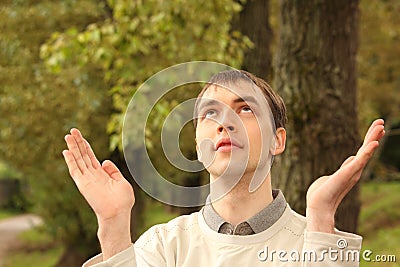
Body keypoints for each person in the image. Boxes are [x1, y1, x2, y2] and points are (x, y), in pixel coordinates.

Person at [62, 70, 385, 266]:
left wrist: (322, 216)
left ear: (277, 140)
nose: (225, 122)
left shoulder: (318, 240)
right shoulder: (162, 246)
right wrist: (114, 224)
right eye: (210, 114)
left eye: (245, 109)